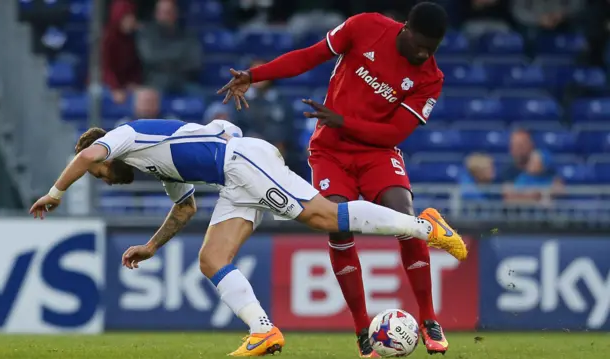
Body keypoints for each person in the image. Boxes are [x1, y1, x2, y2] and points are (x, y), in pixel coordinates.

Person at [29, 119, 467, 357]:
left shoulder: (124, 136)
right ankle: (264, 331)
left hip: (240, 163)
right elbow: (185, 209)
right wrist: (152, 246)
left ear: (106, 154)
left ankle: (426, 227)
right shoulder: (154, 164)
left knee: (325, 217)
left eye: (100, 173)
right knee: (211, 259)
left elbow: (88, 155)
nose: (103, 178)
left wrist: (54, 193)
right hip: (232, 180)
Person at [218, 2, 451, 356]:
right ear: (405, 28)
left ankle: (429, 318)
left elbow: (393, 133)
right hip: (330, 150)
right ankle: (362, 329)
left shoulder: (430, 78)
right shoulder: (365, 27)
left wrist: (345, 121)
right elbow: (308, 57)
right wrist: (256, 75)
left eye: (431, 49)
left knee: (405, 217)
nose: (423, 53)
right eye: (420, 44)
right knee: (337, 222)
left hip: (377, 150)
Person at [136, 0, 203, 94]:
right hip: (155, 83)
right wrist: (178, 56)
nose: (165, 16)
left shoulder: (187, 35)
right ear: (156, 14)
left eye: (169, 12)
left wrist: (163, 62)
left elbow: (195, 62)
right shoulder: (147, 34)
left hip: (182, 82)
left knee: (199, 95)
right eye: (162, 12)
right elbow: (149, 57)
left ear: (175, 14)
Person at [101, 0, 142, 104]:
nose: (131, 20)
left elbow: (134, 66)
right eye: (127, 17)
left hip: (124, 85)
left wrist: (133, 83)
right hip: (106, 84)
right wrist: (115, 88)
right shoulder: (107, 38)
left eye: (132, 16)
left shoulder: (132, 39)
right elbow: (104, 68)